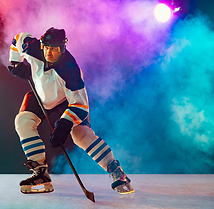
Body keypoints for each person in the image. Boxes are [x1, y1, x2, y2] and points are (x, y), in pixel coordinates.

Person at [8, 27, 134, 195]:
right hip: (40, 95)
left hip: (66, 102)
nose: (49, 53)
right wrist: (16, 62)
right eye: (46, 47)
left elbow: (80, 104)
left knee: (80, 135)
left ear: (63, 48)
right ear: (42, 44)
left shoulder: (70, 70)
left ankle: (116, 171)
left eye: (55, 49)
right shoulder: (32, 47)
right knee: (22, 122)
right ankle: (40, 173)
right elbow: (17, 39)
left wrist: (64, 124)